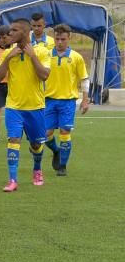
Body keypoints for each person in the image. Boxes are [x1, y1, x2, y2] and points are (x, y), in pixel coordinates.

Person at [0, 18, 51, 191]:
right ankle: (13, 180)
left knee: (36, 144)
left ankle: (37, 169)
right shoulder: (8, 53)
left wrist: (32, 56)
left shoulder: (41, 51)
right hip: (14, 106)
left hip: (35, 106)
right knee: (13, 139)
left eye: (14, 30)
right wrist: (7, 58)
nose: (10, 33)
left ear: (25, 32)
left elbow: (44, 75)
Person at [43, 24, 90, 176]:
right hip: (48, 100)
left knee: (64, 131)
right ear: (54, 38)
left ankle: (62, 166)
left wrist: (85, 100)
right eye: (57, 38)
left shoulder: (76, 57)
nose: (60, 42)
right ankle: (56, 151)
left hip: (68, 101)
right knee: (46, 134)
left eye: (63, 39)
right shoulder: (46, 55)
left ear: (69, 38)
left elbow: (84, 79)